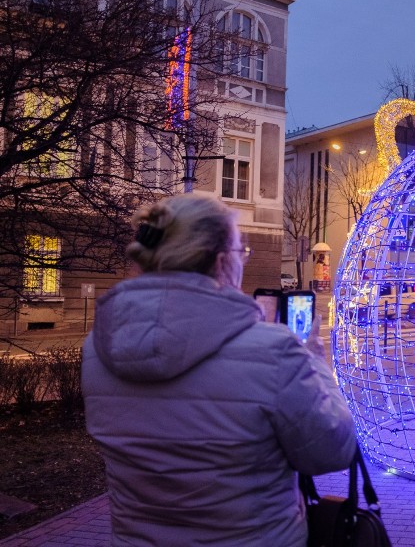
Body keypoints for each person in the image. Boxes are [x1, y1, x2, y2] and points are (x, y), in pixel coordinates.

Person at [82, 195, 356, 546]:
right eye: (242, 253)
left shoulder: (97, 348)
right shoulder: (273, 351)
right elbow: (332, 451)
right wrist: (316, 363)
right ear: (222, 259)